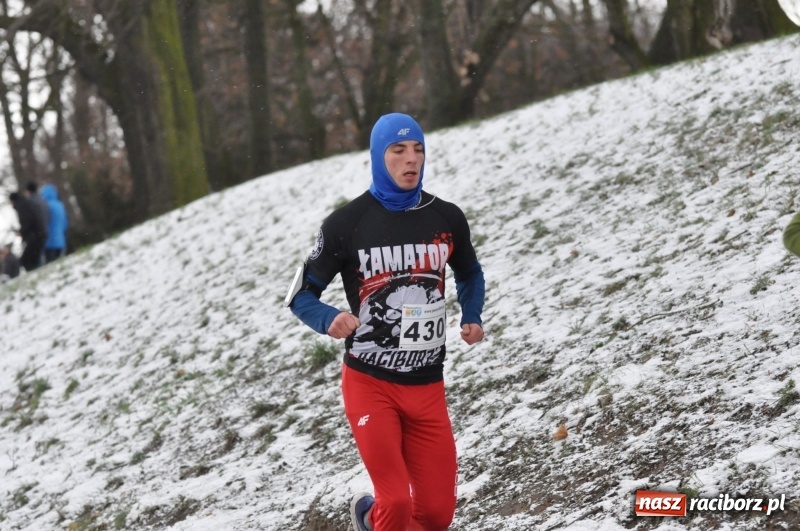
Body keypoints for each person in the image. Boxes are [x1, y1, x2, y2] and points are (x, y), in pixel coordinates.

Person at [286, 113, 485, 531]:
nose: (410, 160)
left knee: (435, 515)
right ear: (378, 156)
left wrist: (472, 314)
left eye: (418, 150)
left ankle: (369, 522)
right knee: (393, 503)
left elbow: (468, 271)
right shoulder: (346, 224)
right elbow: (299, 295)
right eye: (398, 151)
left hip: (428, 385)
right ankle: (373, 516)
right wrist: (328, 318)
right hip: (370, 383)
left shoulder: (446, 218)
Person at [9, 192, 47, 272]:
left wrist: (21, 232)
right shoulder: (27, 203)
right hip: (39, 234)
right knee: (32, 260)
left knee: (26, 261)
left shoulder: (22, 206)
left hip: (35, 236)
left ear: (13, 201)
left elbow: (27, 223)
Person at [40, 183, 69, 262]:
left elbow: (44, 222)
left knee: (50, 263)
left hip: (49, 242)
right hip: (61, 240)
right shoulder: (60, 205)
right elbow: (65, 223)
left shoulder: (46, 206)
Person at [24, 181, 49, 266]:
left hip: (37, 233)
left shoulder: (30, 202)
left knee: (33, 260)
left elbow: (30, 219)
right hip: (45, 230)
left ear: (28, 191)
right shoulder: (42, 200)